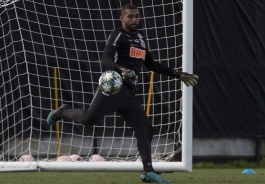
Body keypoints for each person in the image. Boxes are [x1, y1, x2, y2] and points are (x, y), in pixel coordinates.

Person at [47, 4, 198, 183]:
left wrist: (177, 74)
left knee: (146, 129)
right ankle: (61, 112)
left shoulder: (141, 39)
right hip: (113, 89)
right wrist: (121, 69)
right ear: (122, 19)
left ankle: (148, 170)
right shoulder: (118, 35)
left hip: (129, 94)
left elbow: (151, 65)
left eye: (137, 16)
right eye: (130, 16)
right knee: (88, 120)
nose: (134, 20)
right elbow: (105, 59)